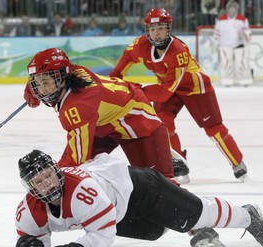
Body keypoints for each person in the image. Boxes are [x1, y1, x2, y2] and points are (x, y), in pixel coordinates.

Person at [14, 150, 263, 247]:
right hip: (119, 212)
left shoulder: (83, 191)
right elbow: (36, 243)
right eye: (38, 181)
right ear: (30, 187)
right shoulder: (28, 210)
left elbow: (103, 234)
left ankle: (247, 215)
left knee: (193, 216)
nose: (46, 183)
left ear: (56, 171)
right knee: (153, 232)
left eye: (48, 175)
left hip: (141, 189)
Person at [109, 8, 247, 180]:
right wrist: (114, 84)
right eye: (152, 29)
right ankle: (180, 163)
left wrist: (136, 91)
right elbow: (119, 69)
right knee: (162, 123)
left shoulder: (178, 51)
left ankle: (237, 162)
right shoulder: (139, 46)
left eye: (160, 28)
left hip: (195, 88)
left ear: (168, 29)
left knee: (213, 128)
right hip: (168, 85)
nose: (156, 34)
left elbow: (164, 93)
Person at [23, 47, 189, 181]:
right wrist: (31, 90)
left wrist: (56, 178)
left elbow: (77, 158)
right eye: (37, 82)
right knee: (81, 170)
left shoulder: (78, 107)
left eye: (45, 82)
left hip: (134, 118)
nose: (41, 89)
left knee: (157, 183)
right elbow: (55, 72)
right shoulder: (70, 74)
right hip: (103, 122)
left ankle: (166, 161)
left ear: (61, 77)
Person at [212, 0, 253, 86]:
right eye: (230, 8)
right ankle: (227, 81)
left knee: (241, 63)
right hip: (224, 45)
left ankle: (244, 81)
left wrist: (245, 35)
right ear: (227, 9)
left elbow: (247, 32)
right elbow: (216, 33)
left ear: (237, 9)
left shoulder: (242, 19)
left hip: (239, 45)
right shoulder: (221, 19)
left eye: (233, 8)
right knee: (226, 64)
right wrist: (214, 43)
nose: (232, 10)